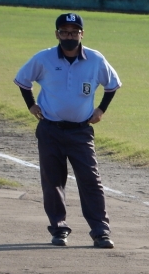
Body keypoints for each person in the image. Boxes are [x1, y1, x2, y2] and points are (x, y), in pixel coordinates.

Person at [14, 13, 122, 248]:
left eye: (74, 32)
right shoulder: (43, 58)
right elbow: (23, 80)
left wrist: (101, 109)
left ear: (82, 34)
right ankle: (59, 228)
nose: (69, 36)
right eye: (64, 32)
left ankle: (100, 231)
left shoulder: (95, 59)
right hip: (50, 129)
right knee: (52, 181)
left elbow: (113, 84)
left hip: (80, 132)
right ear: (57, 34)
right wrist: (31, 105)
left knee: (90, 180)